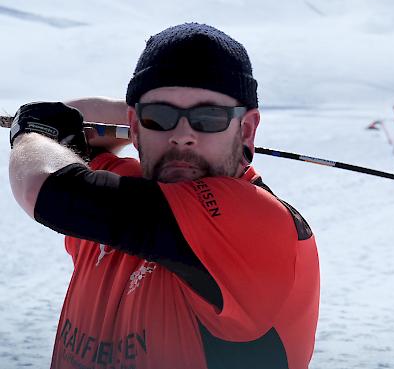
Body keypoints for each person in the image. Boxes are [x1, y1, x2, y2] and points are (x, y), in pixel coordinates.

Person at [8, 23, 320, 369]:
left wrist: (32, 132)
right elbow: (70, 126)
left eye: (209, 117)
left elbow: (49, 188)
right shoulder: (127, 189)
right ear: (136, 127)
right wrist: (137, 115)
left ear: (246, 131)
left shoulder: (259, 221)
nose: (182, 136)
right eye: (161, 117)